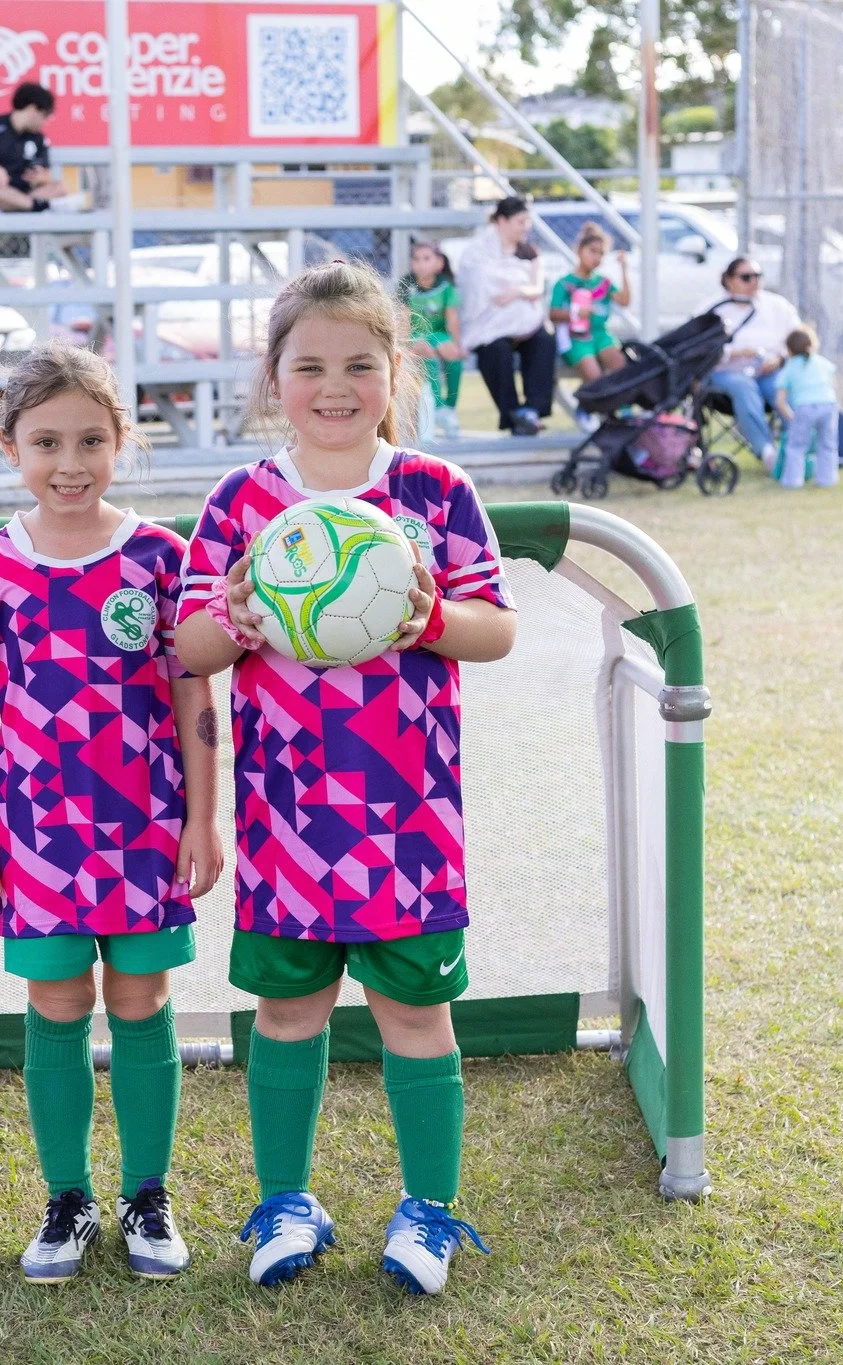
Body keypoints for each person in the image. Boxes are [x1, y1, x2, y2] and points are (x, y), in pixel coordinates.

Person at [174, 261, 517, 1297]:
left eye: (358, 365)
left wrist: (428, 620)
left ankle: (430, 1208)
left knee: (416, 1016)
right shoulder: (241, 502)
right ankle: (284, 1201)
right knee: (288, 1013)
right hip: (288, 823)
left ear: (394, 373)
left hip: (408, 821)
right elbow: (189, 651)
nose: (334, 386)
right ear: (272, 378)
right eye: (309, 365)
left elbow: (494, 629)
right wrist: (233, 618)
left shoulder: (434, 493)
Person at [0, 342, 223, 1284]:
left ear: (123, 441)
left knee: (142, 1002)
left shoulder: (159, 555)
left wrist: (204, 816)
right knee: (57, 1003)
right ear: (10, 445)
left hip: (146, 829)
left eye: (93, 440)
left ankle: (149, 1191)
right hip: (39, 836)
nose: (71, 462)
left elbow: (193, 693)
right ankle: (66, 1197)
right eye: (48, 441)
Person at [457, 196, 556, 437]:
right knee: (495, 351)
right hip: (488, 324)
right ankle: (513, 415)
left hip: (526, 323)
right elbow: (479, 287)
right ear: (502, 221)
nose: (526, 227)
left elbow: (536, 289)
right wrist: (512, 290)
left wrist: (517, 291)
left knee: (544, 340)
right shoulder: (477, 252)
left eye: (527, 221)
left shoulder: (530, 252)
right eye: (520, 221)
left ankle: (532, 410)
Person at [701, 256, 803, 468]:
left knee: (782, 387)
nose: (754, 282)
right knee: (743, 385)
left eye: (758, 276)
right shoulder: (712, 309)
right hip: (725, 377)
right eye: (746, 277)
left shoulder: (777, 306)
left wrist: (779, 358)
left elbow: (799, 340)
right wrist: (735, 353)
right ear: (729, 280)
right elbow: (698, 350)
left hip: (768, 372)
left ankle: (798, 452)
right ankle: (767, 453)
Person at [0, 82, 88, 213]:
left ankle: (28, 205)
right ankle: (40, 206)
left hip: (25, 195)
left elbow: (45, 173)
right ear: (32, 109)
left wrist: (43, 178)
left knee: (60, 186)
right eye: (45, 115)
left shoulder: (38, 138)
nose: (46, 122)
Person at [548, 223, 632, 386]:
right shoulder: (565, 283)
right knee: (594, 377)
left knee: (622, 368)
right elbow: (553, 314)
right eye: (592, 251)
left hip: (601, 334)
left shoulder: (603, 282)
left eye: (601, 253)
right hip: (576, 338)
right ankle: (587, 408)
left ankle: (623, 410)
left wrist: (624, 269)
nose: (597, 258)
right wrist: (576, 313)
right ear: (579, 250)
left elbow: (624, 301)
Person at [400, 241, 465, 441]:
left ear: (438, 262)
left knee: (453, 353)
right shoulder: (406, 285)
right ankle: (437, 407)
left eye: (426, 258)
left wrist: (458, 344)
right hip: (415, 334)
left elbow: (452, 318)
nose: (420, 264)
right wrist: (404, 344)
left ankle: (449, 409)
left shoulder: (446, 285)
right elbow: (403, 319)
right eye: (416, 259)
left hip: (438, 333)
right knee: (424, 350)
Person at [772, 325, 842, 489]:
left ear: (789, 350)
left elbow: (780, 401)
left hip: (804, 408)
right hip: (828, 405)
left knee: (796, 446)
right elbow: (833, 386)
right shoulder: (823, 363)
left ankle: (793, 481)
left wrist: (791, 416)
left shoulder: (789, 368)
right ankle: (827, 479)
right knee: (827, 444)